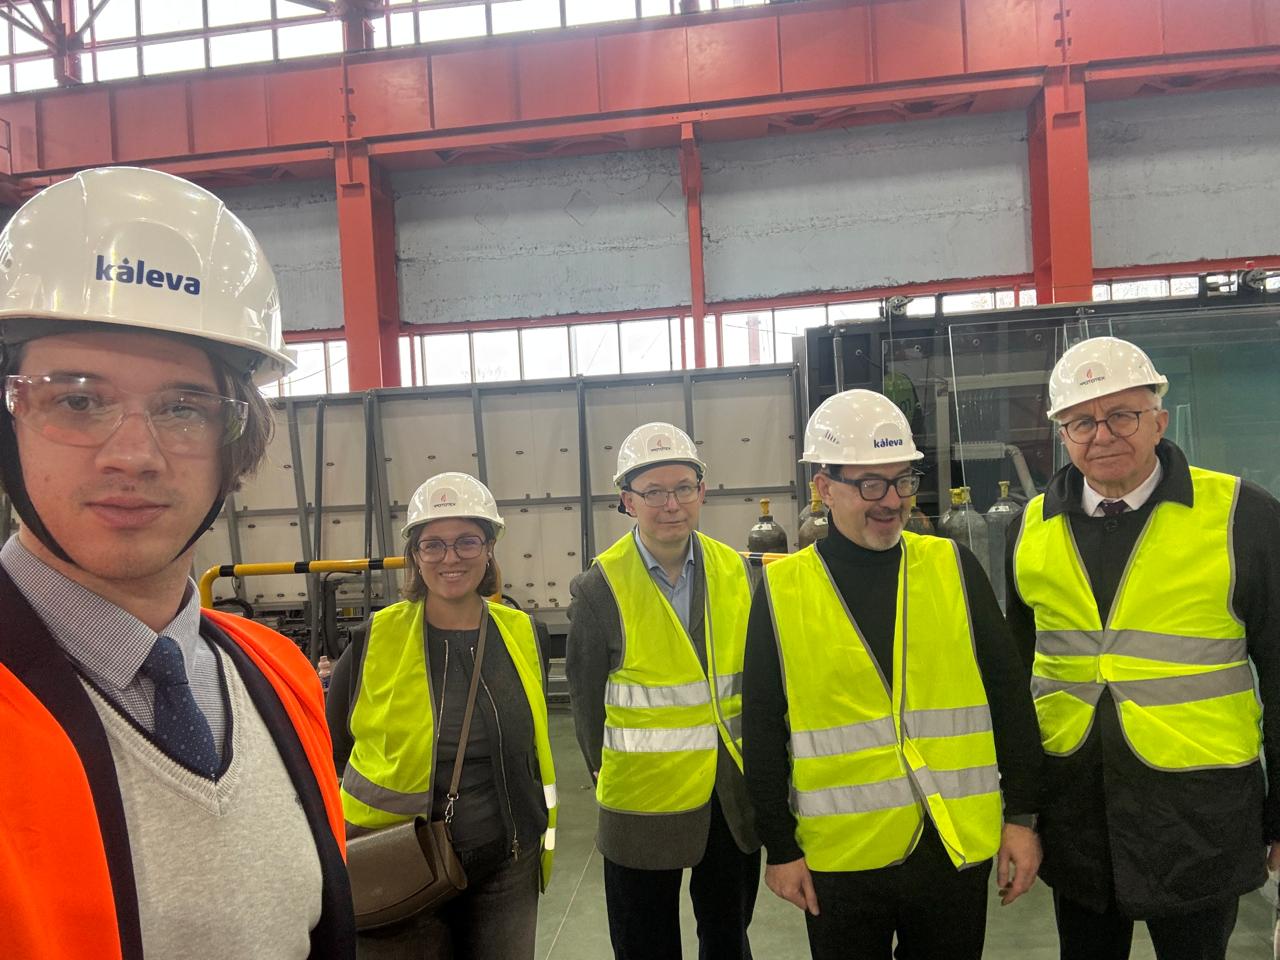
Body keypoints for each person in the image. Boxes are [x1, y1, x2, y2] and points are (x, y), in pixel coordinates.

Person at [0, 166, 354, 959]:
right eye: (77, 399)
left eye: (184, 407)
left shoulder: (280, 677)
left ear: (237, 441)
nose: (134, 455)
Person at [1005, 336, 1280, 960]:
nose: (1102, 435)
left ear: (1159, 419)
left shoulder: (1242, 516)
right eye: (1081, 421)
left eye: (1121, 415)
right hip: (1079, 817)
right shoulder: (1031, 528)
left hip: (1200, 815)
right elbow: (1018, 683)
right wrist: (1021, 813)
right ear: (1062, 434)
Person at [742, 388, 1043, 960]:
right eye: (870, 484)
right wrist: (779, 848)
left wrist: (1023, 817)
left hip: (953, 847)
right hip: (842, 859)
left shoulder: (954, 568)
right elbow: (759, 729)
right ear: (825, 487)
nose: (891, 501)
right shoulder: (782, 592)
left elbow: (1009, 697)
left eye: (903, 481)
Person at [327, 471, 557, 960]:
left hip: (506, 862)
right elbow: (333, 750)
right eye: (433, 545)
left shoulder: (525, 635)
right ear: (415, 555)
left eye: (467, 541)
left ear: (489, 548)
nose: (451, 558)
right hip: (397, 863)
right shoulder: (373, 641)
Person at [566, 421, 760, 959]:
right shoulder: (599, 588)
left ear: (702, 491)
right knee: (644, 945)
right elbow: (586, 708)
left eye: (683, 488)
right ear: (628, 501)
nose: (671, 504)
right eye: (653, 492)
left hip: (729, 800)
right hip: (641, 808)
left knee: (728, 940)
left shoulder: (738, 571)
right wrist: (612, 772)